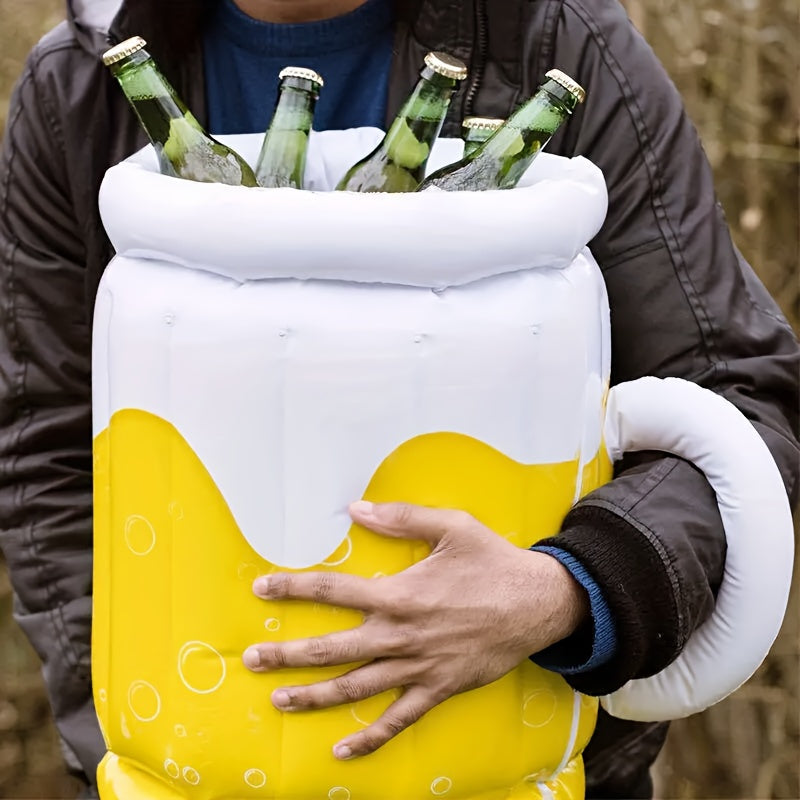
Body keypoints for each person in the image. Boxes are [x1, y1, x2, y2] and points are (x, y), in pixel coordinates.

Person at [0, 0, 797, 797]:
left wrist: (566, 588)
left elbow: (737, 397)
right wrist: (140, 733)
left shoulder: (552, 39)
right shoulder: (78, 85)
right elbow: (47, 450)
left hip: (515, 764)